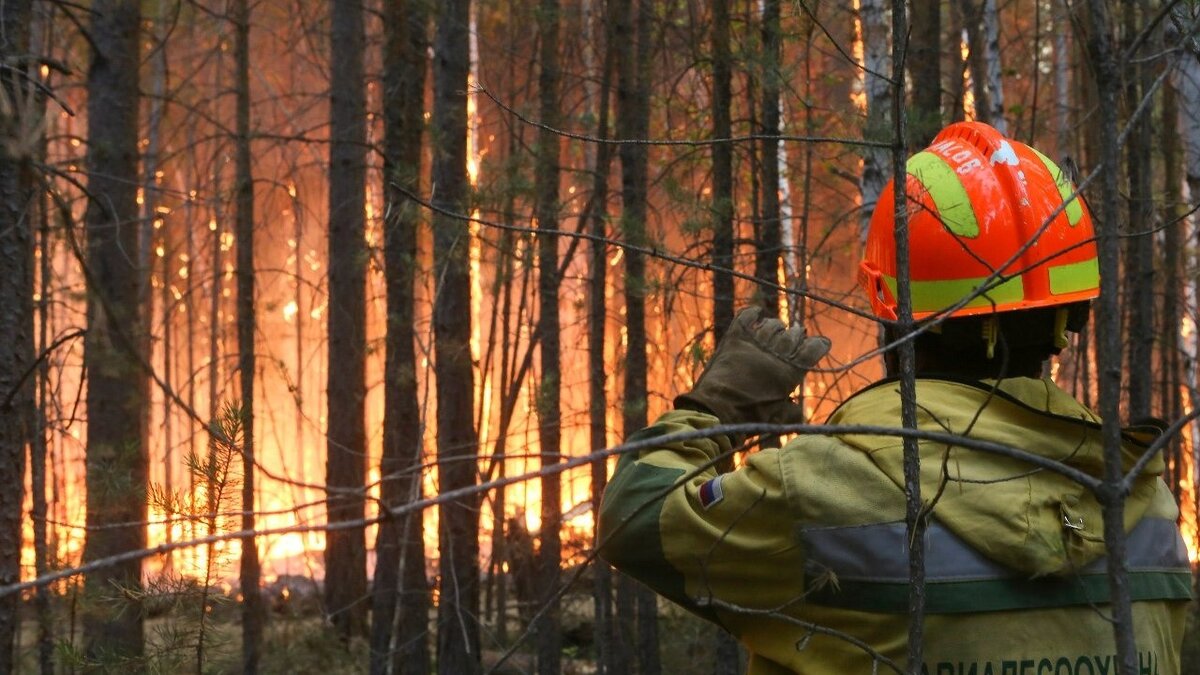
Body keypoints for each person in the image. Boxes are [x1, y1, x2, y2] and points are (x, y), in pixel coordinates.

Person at [597, 121, 1192, 674]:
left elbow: (635, 517)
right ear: (1071, 317)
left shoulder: (823, 489)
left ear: (894, 317)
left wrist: (716, 409)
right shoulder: (1148, 501)